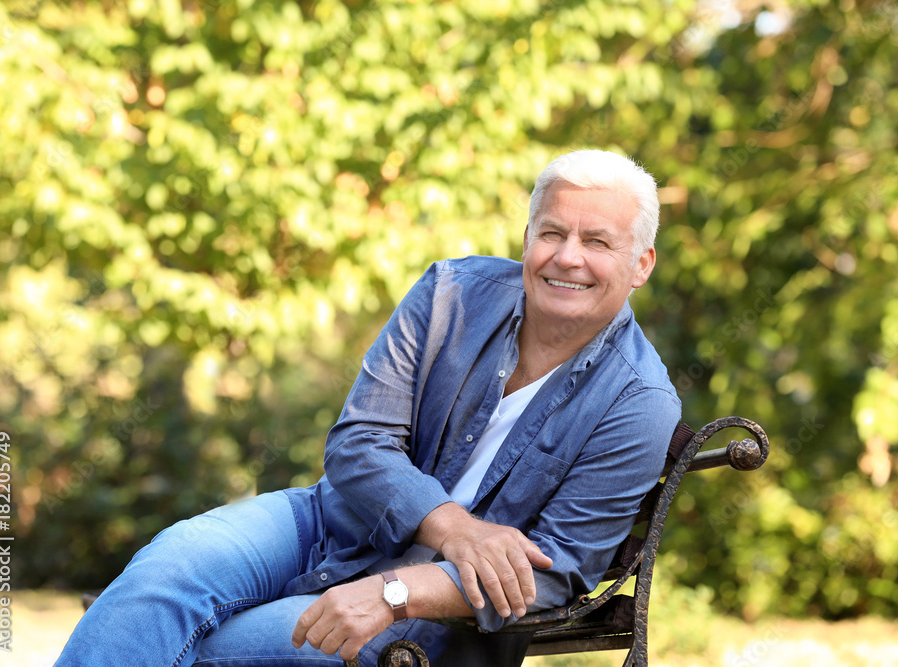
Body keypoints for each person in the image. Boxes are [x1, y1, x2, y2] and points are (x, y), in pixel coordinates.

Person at [55, 149, 681, 666]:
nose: (568, 256)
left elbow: (557, 569)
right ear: (527, 238)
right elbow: (358, 444)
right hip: (330, 522)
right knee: (160, 578)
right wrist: (457, 529)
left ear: (640, 264)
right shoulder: (449, 295)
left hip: (438, 614)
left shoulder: (639, 402)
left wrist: (396, 589)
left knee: (215, 649)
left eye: (597, 242)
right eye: (552, 232)